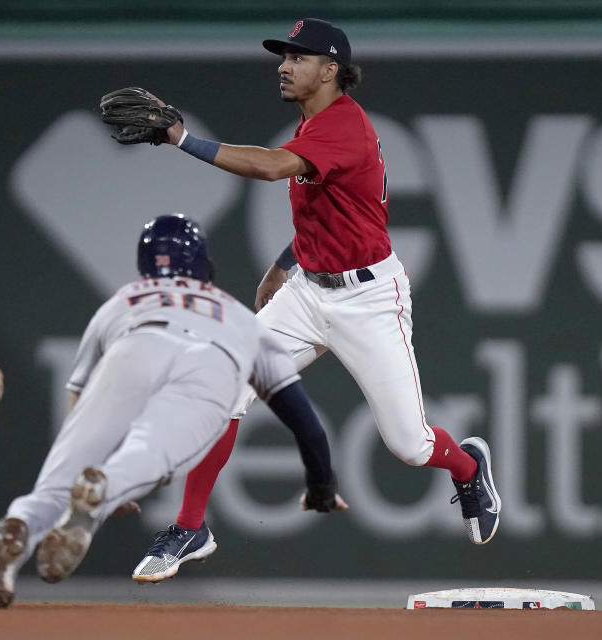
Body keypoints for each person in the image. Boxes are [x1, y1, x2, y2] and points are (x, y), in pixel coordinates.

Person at [128, 18, 502, 583]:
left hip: (369, 300)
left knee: (409, 444)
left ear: (331, 71)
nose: (284, 65)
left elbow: (270, 167)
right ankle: (190, 527)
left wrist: (182, 137)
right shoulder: (312, 124)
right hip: (307, 292)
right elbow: (328, 213)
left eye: (299, 57)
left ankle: (469, 466)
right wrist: (284, 267)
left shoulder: (343, 127)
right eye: (283, 56)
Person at [0, 213, 345, 608]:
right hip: (198, 377)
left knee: (54, 487)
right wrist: (321, 482)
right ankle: (108, 486)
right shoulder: (233, 314)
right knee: (144, 456)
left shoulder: (123, 300)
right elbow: (306, 424)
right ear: (202, 263)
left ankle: (19, 528)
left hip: (131, 353)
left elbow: (78, 400)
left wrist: (81, 461)